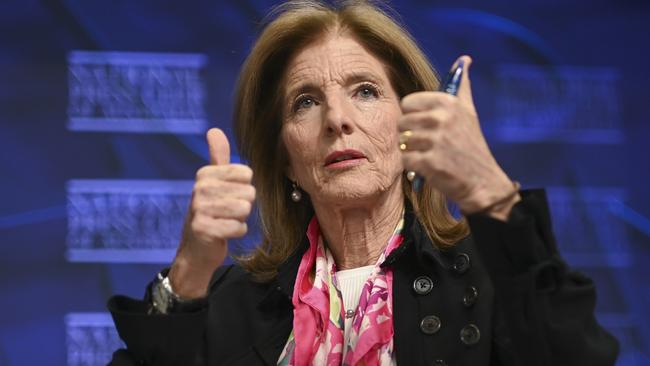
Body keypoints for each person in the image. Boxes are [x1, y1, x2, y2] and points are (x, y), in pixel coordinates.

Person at [107, 1, 619, 365]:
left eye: (366, 91)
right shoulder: (236, 301)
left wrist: (491, 194)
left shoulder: (489, 277)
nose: (337, 119)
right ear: (286, 160)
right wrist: (192, 269)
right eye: (305, 102)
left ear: (411, 125)